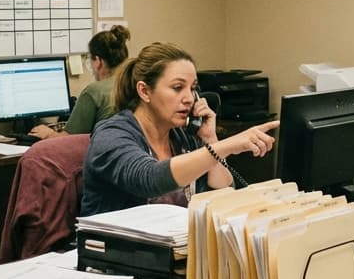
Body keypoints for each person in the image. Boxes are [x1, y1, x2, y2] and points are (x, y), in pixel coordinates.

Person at [80, 41, 279, 216]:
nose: (189, 98)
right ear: (144, 91)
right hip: (116, 253)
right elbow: (149, 179)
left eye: (192, 88)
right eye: (177, 88)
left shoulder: (182, 134)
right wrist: (226, 146)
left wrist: (210, 139)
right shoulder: (112, 135)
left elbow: (221, 194)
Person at [29, 24, 131, 138]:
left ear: (98, 61)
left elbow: (68, 139)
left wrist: (48, 134)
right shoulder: (133, 84)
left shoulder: (94, 92)